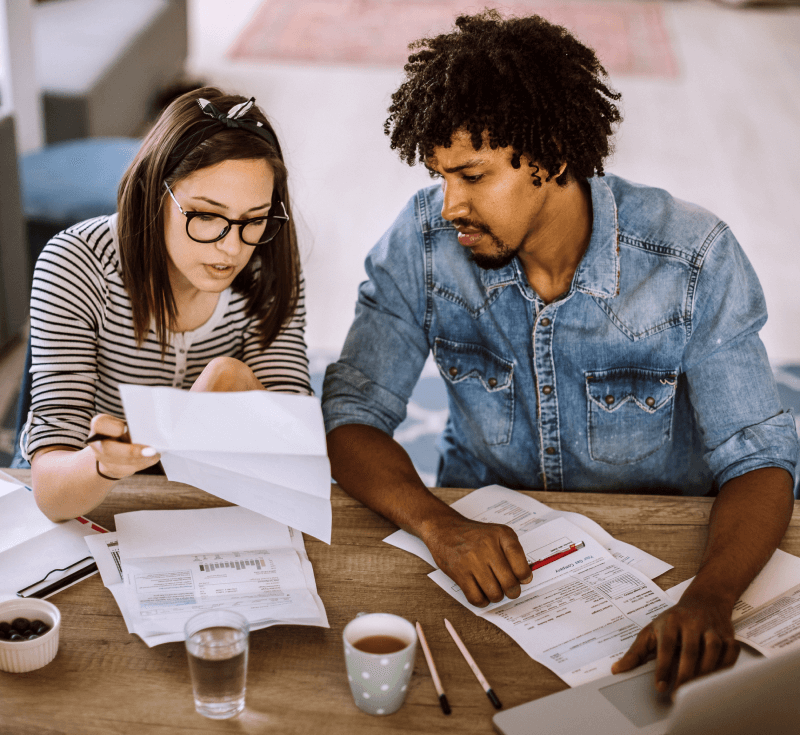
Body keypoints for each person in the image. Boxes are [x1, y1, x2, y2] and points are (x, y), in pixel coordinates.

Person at [321, 11, 799, 693]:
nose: (448, 203)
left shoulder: (690, 259)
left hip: (665, 572)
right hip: (481, 558)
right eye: (439, 175)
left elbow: (760, 460)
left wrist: (710, 598)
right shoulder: (422, 246)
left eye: (474, 176)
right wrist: (440, 524)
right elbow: (352, 415)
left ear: (550, 157)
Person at [22, 87, 310, 522]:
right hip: (99, 500)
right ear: (155, 194)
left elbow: (297, 463)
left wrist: (234, 381)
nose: (231, 248)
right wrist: (102, 464)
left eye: (254, 219)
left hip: (209, 502)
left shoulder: (267, 267)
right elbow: (50, 492)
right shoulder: (77, 264)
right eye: (206, 215)